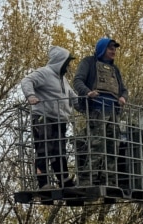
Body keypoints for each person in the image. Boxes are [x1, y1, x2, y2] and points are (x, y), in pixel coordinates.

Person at [73, 37, 129, 185]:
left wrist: (123, 97)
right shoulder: (89, 62)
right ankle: (87, 180)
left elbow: (123, 89)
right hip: (97, 110)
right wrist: (87, 92)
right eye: (111, 48)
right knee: (97, 145)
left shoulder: (114, 69)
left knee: (113, 147)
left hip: (113, 113)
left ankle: (109, 180)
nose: (114, 51)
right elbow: (77, 81)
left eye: (115, 49)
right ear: (103, 49)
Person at [20, 46, 75, 189]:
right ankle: (42, 182)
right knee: (44, 149)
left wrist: (86, 101)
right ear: (60, 61)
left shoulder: (63, 80)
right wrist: (31, 96)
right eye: (67, 62)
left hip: (59, 120)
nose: (68, 66)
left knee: (59, 151)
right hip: (44, 118)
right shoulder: (44, 73)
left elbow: (72, 96)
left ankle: (63, 180)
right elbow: (27, 81)